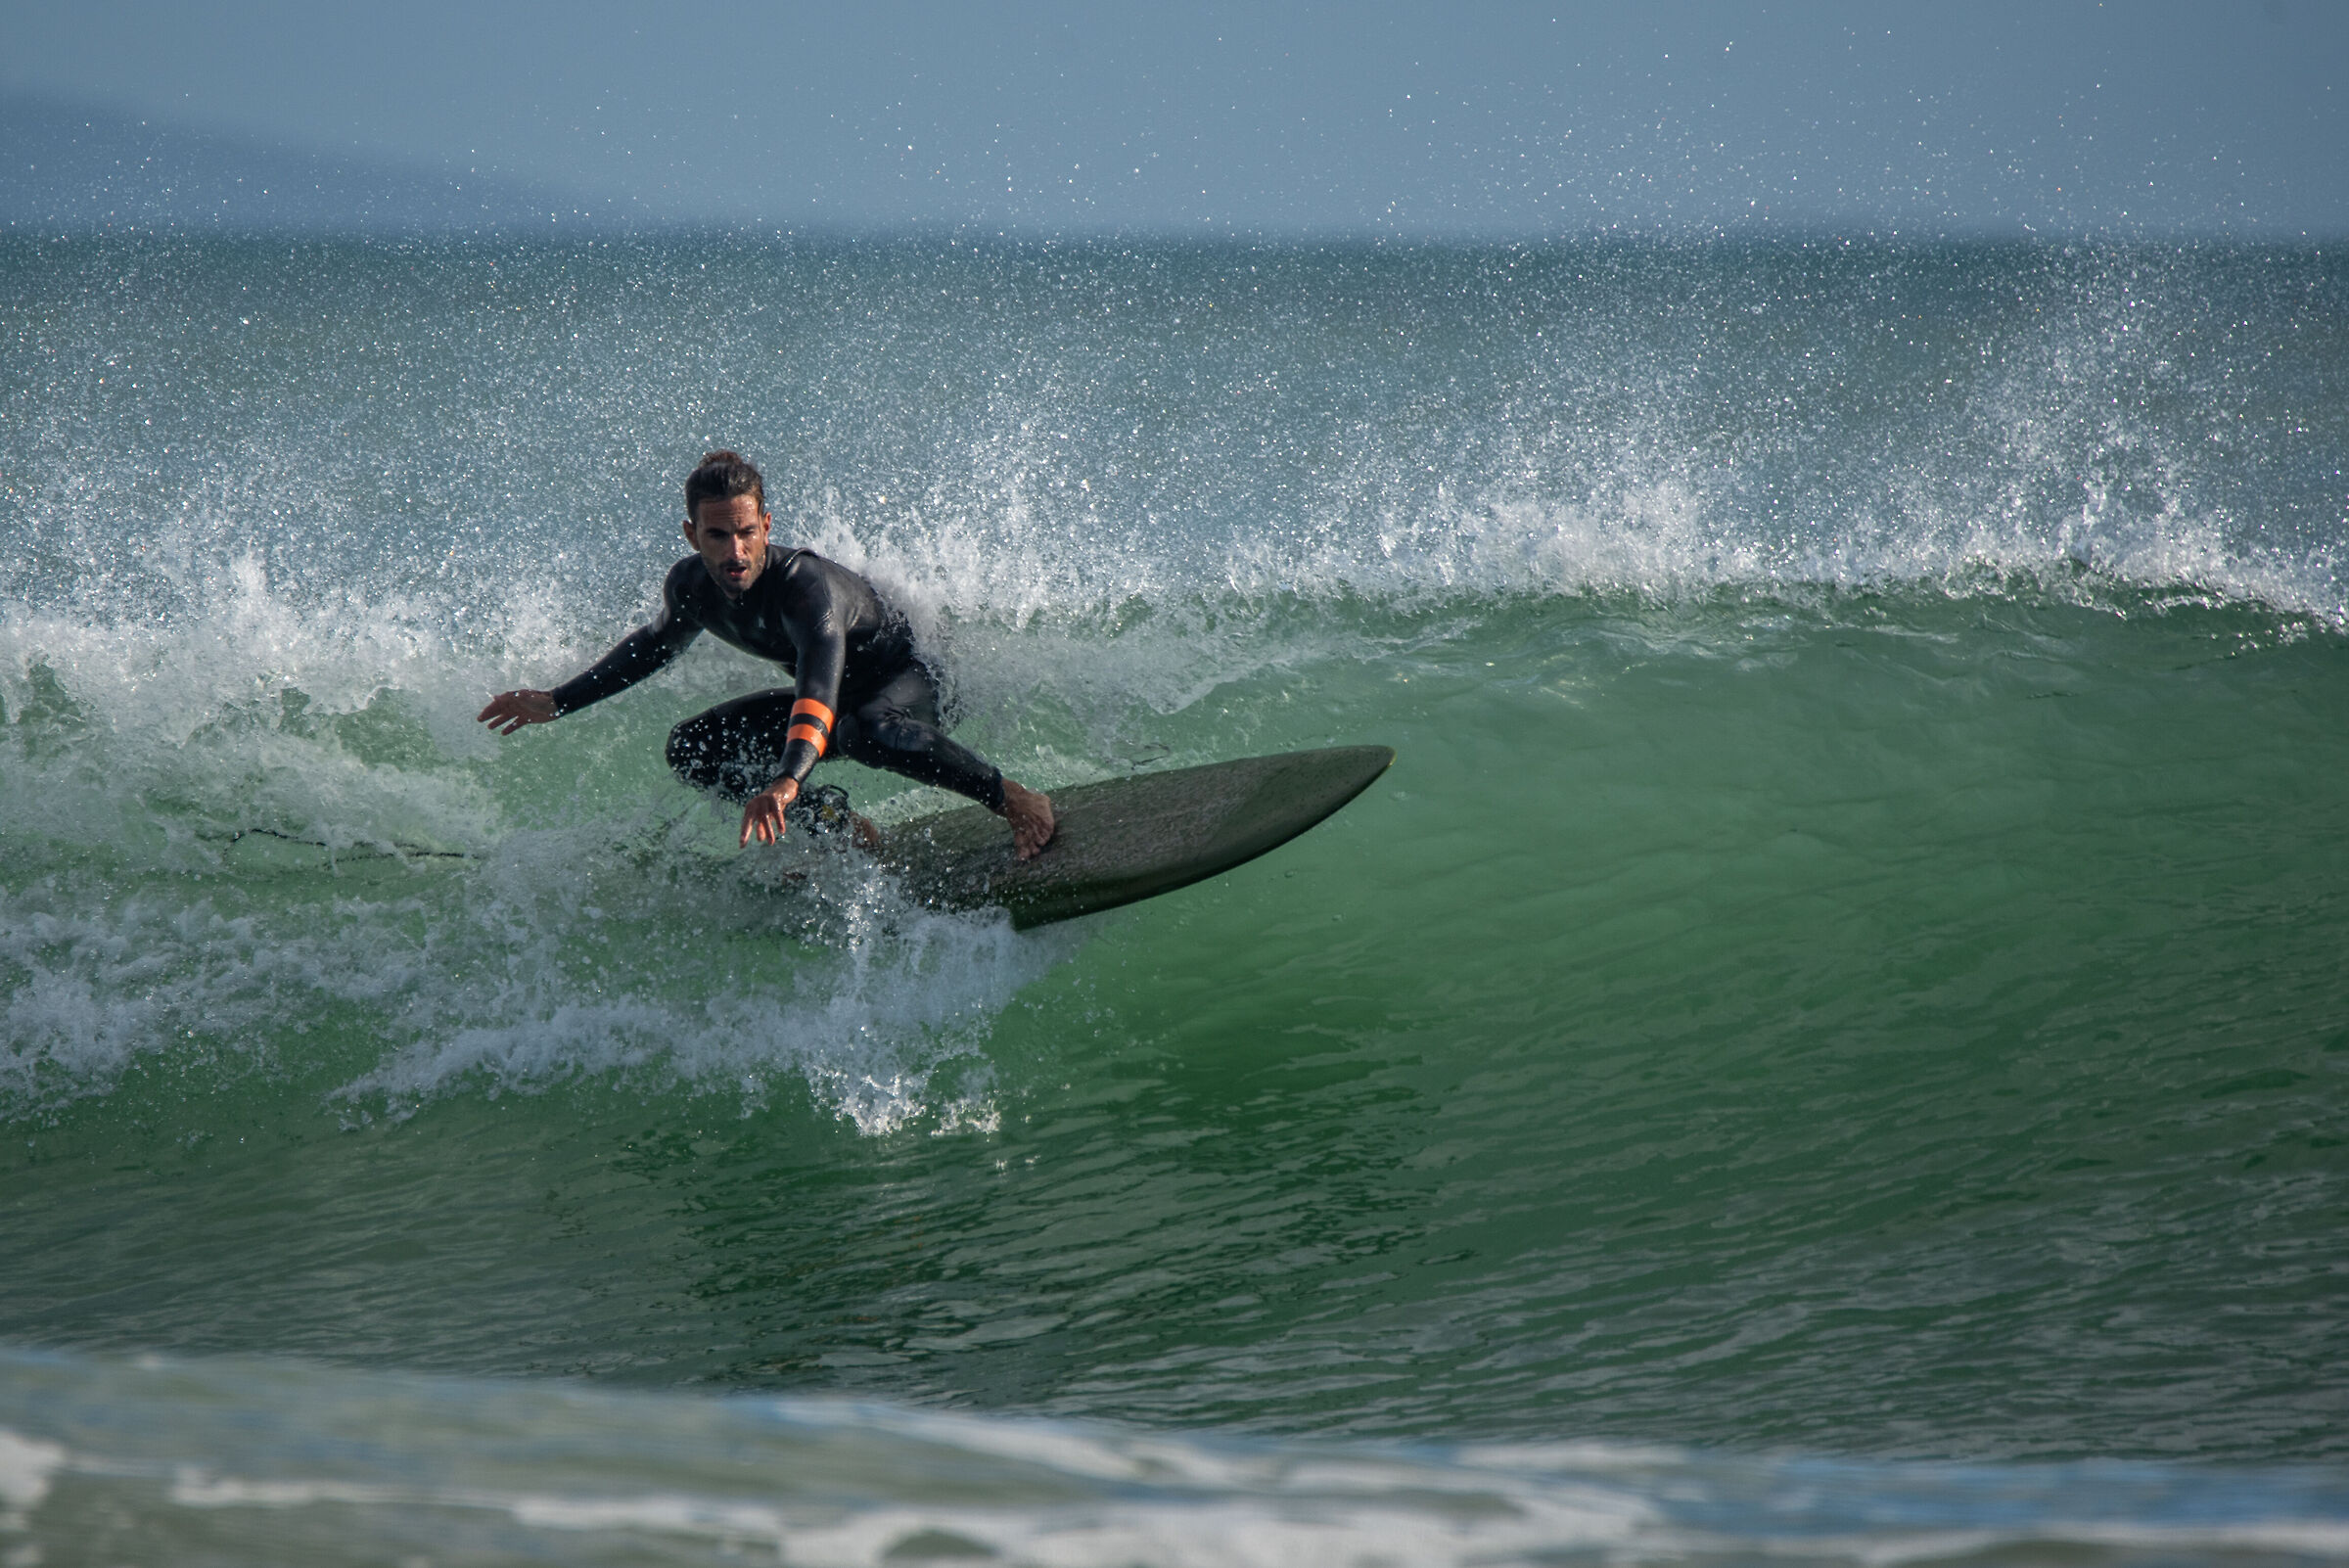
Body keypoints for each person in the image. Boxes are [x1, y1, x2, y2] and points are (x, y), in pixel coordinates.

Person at [478, 450, 1055, 858]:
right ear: (691, 535)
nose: (736, 551)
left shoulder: (806, 590)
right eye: (718, 536)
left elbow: (817, 690)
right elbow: (652, 648)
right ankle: (842, 828)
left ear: (766, 525)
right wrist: (558, 701)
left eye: (747, 532)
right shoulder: (691, 590)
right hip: (839, 709)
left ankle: (1014, 800)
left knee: (872, 728)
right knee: (693, 749)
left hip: (912, 682)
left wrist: (786, 777)